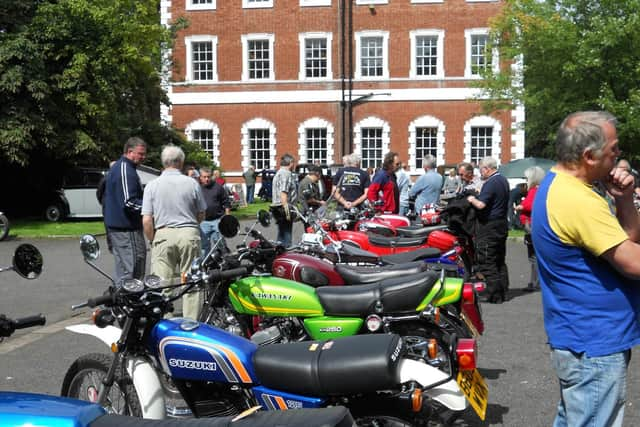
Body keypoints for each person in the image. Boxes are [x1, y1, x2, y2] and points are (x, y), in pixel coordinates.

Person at [532, 111, 640, 427]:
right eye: (613, 149)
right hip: (593, 342)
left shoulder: (561, 188)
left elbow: (627, 242)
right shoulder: (577, 200)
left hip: (582, 338)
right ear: (589, 156)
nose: (618, 155)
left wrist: (623, 200)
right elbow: (633, 263)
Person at [142, 145, 207, 320]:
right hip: (188, 231)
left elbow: (147, 220)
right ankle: (191, 322)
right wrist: (191, 225)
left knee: (162, 282)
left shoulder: (152, 185)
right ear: (180, 162)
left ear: (164, 162)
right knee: (191, 280)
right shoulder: (191, 183)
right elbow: (201, 212)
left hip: (163, 233)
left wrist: (152, 239)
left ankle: (165, 320)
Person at [466, 157, 510, 303]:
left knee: (487, 259)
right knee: (499, 259)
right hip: (502, 223)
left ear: (487, 168)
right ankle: (503, 289)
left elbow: (481, 205)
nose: (480, 173)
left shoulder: (491, 183)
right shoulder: (503, 180)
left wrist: (472, 198)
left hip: (489, 225)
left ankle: (493, 293)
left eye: (481, 169)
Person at [103, 137, 147, 283]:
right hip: (126, 229)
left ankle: (117, 303)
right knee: (134, 270)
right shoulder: (125, 170)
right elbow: (129, 202)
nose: (143, 157)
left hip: (119, 228)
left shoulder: (123, 168)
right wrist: (150, 208)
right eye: (140, 154)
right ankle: (130, 302)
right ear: (129, 152)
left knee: (123, 272)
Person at [515, 166, 545, 292]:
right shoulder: (540, 189)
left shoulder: (534, 190)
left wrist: (520, 207)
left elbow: (531, 205)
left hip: (531, 225)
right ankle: (535, 282)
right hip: (534, 225)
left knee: (533, 257)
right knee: (535, 257)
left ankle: (535, 282)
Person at [199, 166, 231, 256]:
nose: (207, 179)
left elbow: (226, 202)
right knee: (204, 246)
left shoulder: (218, 187)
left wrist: (227, 218)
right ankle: (205, 266)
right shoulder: (197, 189)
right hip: (203, 222)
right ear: (200, 178)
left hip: (217, 220)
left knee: (220, 244)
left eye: (208, 177)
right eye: (204, 177)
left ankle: (225, 263)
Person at [271, 153, 298, 247]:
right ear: (290, 163)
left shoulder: (279, 173)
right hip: (283, 208)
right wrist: (287, 211)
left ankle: (279, 254)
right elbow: (283, 192)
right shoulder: (286, 174)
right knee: (286, 237)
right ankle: (284, 256)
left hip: (277, 207)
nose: (294, 165)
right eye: (294, 163)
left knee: (281, 234)